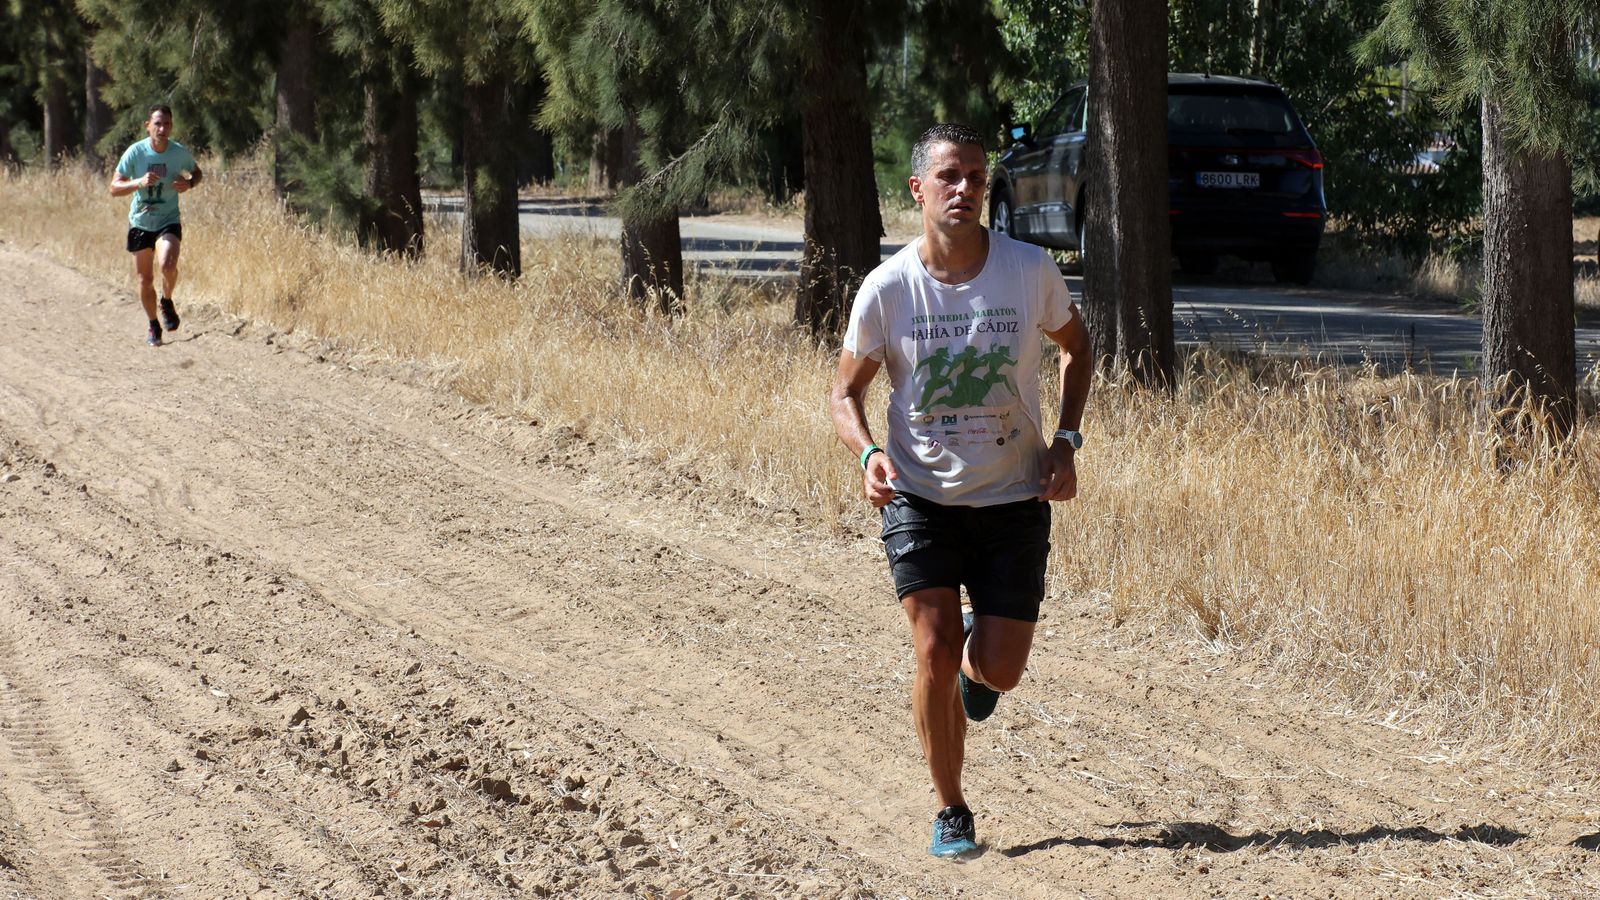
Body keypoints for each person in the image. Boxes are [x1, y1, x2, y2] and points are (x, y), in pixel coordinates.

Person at [829, 123, 1092, 859]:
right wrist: (868, 454)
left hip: (1014, 495)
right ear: (918, 189)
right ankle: (951, 807)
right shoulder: (887, 288)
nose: (966, 188)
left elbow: (1077, 348)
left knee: (999, 669)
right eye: (949, 176)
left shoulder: (1028, 270)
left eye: (976, 176)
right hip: (920, 498)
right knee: (934, 651)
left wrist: (1066, 441)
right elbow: (844, 392)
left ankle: (978, 662)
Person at [109, 105, 202, 347]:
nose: (162, 129)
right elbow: (114, 188)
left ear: (171, 126)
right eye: (157, 124)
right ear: (148, 126)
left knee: (168, 265)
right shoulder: (135, 152)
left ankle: (166, 300)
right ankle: (153, 324)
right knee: (144, 279)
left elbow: (197, 172)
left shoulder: (178, 153)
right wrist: (138, 182)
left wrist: (189, 184)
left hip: (167, 219)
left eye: (167, 124)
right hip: (140, 222)